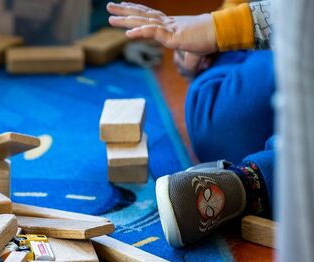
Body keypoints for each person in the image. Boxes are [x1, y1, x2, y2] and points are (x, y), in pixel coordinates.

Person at [107, 1, 274, 247]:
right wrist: (220, 32)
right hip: (290, 39)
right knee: (218, 126)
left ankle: (251, 184)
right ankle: (228, 59)